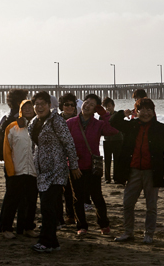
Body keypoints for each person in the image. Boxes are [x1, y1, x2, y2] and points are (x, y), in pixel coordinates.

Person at [111, 98, 164, 243]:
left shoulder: (161, 128)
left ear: (153, 112)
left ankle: (149, 234)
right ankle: (128, 232)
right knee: (127, 203)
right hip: (133, 171)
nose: (146, 113)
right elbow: (113, 122)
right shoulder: (131, 126)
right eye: (142, 109)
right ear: (137, 111)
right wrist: (123, 113)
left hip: (152, 172)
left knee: (151, 206)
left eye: (149, 110)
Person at [28, 91, 80, 253]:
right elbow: (33, 146)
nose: (39, 106)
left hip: (57, 170)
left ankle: (46, 241)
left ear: (50, 105)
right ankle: (53, 242)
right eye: (36, 104)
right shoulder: (34, 122)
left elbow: (69, 143)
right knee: (46, 208)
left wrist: (74, 165)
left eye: (43, 103)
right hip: (41, 171)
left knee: (48, 207)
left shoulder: (56, 121)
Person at [66, 94, 119, 236]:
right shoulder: (70, 123)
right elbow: (65, 144)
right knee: (77, 198)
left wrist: (105, 115)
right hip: (75, 166)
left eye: (91, 104)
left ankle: (104, 224)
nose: (87, 105)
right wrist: (72, 164)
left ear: (95, 108)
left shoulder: (98, 124)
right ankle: (81, 226)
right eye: (86, 102)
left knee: (97, 196)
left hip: (92, 166)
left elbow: (113, 130)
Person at [0, 99, 38, 239]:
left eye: (30, 107)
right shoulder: (12, 127)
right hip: (16, 169)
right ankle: (6, 228)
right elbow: (6, 150)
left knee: (31, 201)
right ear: (20, 109)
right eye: (24, 107)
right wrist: (10, 169)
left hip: (33, 170)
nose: (28, 109)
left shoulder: (38, 126)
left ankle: (27, 227)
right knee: (12, 200)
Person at [57, 93, 78, 226]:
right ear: (61, 106)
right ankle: (59, 217)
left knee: (72, 189)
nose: (69, 107)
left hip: (74, 158)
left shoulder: (79, 120)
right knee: (59, 189)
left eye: (72, 105)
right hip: (58, 158)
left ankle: (71, 215)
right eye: (66, 104)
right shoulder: (56, 120)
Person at [102, 97, 123, 184]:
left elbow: (122, 126)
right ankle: (107, 178)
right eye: (106, 107)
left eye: (109, 106)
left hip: (118, 139)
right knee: (107, 160)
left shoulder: (117, 114)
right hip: (107, 140)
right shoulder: (102, 116)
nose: (107, 108)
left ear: (113, 106)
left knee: (117, 159)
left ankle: (117, 178)